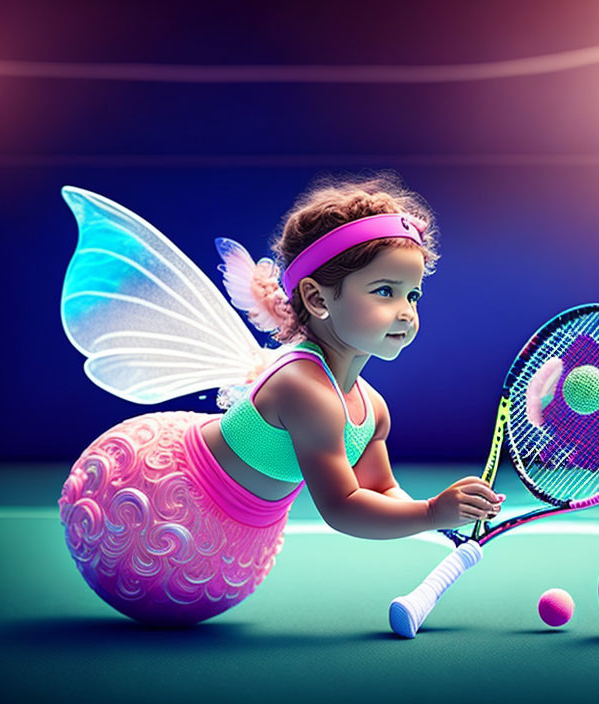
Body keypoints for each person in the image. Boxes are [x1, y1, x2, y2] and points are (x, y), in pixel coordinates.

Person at [58, 171, 502, 626]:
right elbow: (343, 507)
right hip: (153, 493)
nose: (406, 312)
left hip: (238, 539)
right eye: (384, 291)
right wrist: (430, 513)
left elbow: (381, 490)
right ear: (317, 297)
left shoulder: (373, 408)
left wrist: (442, 519)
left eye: (413, 295)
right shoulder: (305, 391)